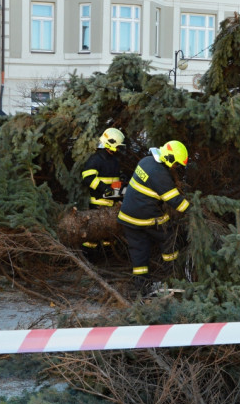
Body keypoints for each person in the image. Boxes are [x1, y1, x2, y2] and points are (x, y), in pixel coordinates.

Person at [117, 140, 190, 296]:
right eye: (176, 164)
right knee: (169, 239)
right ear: (169, 159)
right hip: (145, 218)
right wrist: (195, 211)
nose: (175, 168)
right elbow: (176, 201)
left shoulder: (146, 161)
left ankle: (142, 288)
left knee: (139, 253)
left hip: (127, 217)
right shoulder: (160, 174)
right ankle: (174, 277)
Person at [80, 127, 125, 249]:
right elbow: (88, 177)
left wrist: (119, 190)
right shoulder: (96, 159)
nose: (118, 149)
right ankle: (89, 259)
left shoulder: (114, 160)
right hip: (97, 203)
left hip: (112, 203)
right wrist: (104, 188)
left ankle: (108, 259)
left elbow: (115, 180)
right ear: (110, 143)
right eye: (117, 146)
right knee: (93, 234)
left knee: (109, 236)